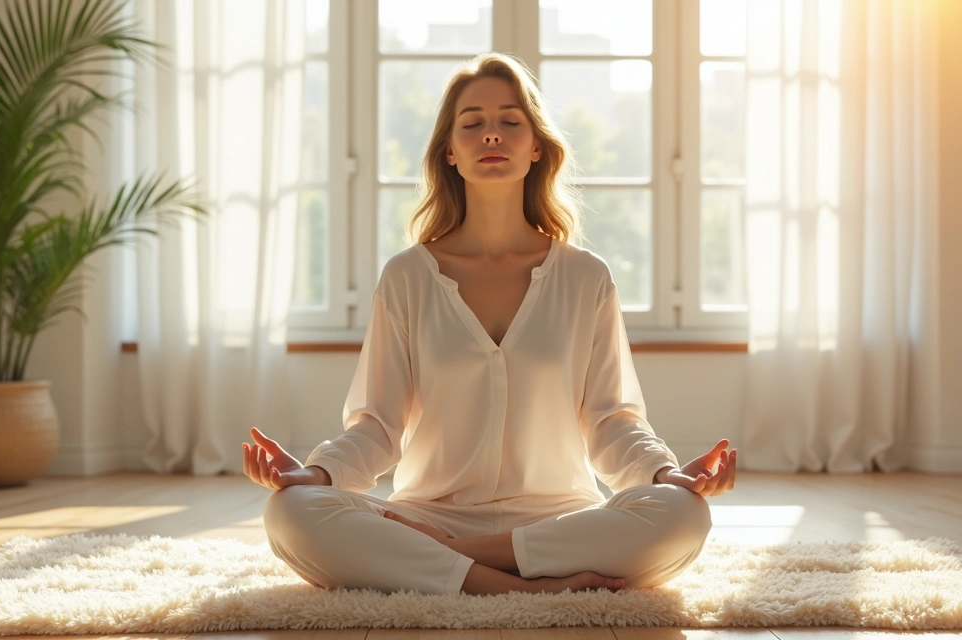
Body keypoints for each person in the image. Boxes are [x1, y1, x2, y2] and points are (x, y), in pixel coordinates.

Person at [242, 52, 736, 597]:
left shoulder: (585, 277)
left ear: (537, 146)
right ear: (450, 152)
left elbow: (611, 421)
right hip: (429, 515)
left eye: (510, 122)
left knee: (683, 514)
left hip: (557, 521)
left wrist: (667, 475)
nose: (492, 135)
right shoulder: (408, 276)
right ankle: (527, 587)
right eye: (472, 123)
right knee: (291, 511)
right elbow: (377, 426)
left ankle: (459, 564)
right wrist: (315, 475)